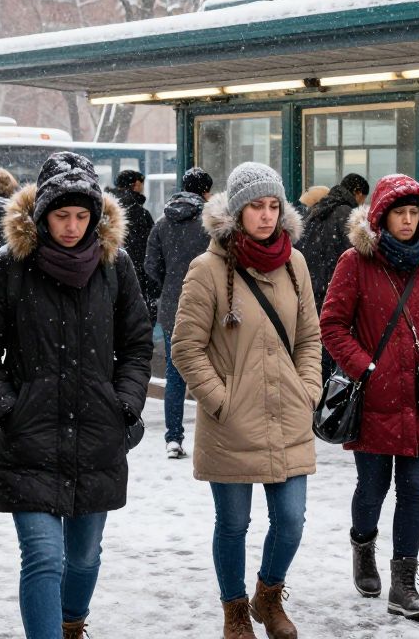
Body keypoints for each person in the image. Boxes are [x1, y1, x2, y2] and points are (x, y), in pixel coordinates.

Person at [0, 152, 152, 639]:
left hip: (97, 435)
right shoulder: (11, 266)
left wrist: (125, 403)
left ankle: (71, 624)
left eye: (81, 216)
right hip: (30, 438)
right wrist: (8, 406)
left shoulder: (116, 266)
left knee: (84, 557)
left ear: (95, 216)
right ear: (42, 214)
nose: (71, 226)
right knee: (44, 558)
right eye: (61, 215)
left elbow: (136, 344)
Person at [171, 162, 321, 639]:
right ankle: (234, 609)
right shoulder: (208, 270)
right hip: (232, 423)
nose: (266, 215)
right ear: (236, 211)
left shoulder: (295, 264)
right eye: (256, 206)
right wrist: (221, 401)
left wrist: (309, 391)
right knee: (233, 524)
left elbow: (310, 338)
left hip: (288, 415)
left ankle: (268, 595)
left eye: (273, 205)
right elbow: (185, 347)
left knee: (291, 521)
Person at [321, 174, 419, 622]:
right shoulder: (354, 263)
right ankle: (362, 545)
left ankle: (404, 584)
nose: (409, 221)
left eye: (416, 213)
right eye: (401, 213)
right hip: (375, 399)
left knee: (414, 490)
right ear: (381, 216)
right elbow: (332, 325)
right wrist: (366, 369)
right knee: (373, 488)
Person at [144, 166, 213, 460]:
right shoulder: (210, 223)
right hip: (210, 304)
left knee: (176, 374)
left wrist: (171, 284)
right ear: (205, 192)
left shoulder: (162, 223)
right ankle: (215, 437)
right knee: (216, 372)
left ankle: (174, 438)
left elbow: (151, 267)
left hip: (173, 307)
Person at [298, 172, 369, 380]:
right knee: (336, 354)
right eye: (363, 198)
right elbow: (354, 257)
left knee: (319, 353)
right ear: (357, 193)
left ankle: (319, 399)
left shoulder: (317, 210)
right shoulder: (348, 215)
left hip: (314, 291)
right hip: (336, 292)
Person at [108, 169, 156, 315]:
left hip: (109, 275)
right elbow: (150, 250)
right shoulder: (140, 213)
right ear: (135, 184)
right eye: (141, 183)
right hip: (136, 276)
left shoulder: (107, 209)